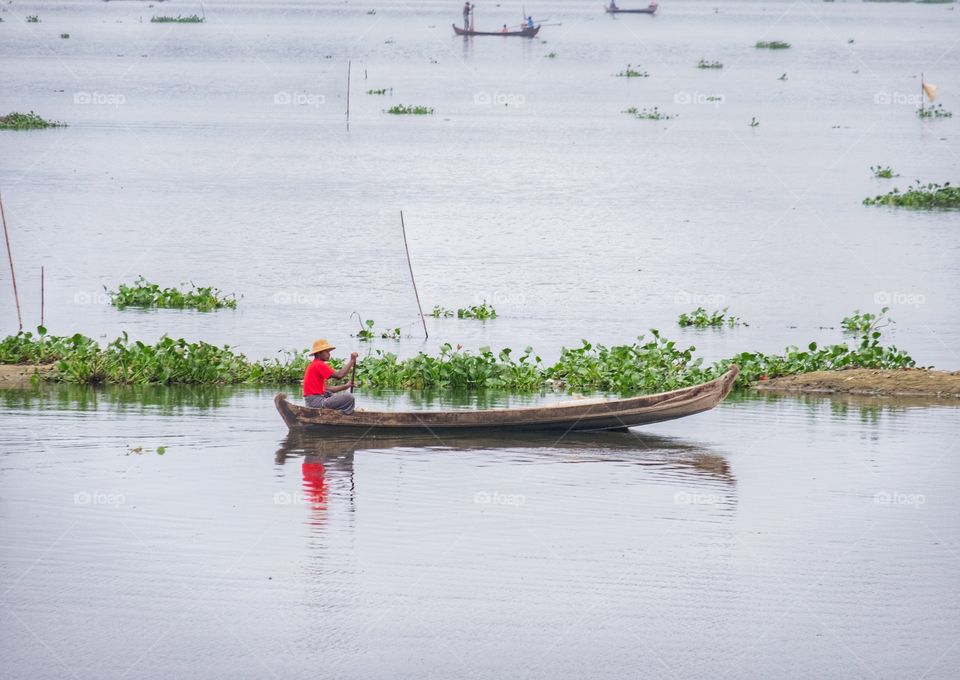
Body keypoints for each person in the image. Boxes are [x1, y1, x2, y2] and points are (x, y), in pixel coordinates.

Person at [302, 338, 357, 414]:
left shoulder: (315, 365)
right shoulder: (318, 364)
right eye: (327, 351)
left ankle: (340, 413)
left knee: (328, 393)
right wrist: (352, 361)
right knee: (349, 397)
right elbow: (339, 375)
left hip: (312, 402)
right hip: (316, 402)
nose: (329, 354)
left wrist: (346, 386)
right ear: (319, 353)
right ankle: (343, 413)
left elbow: (328, 389)